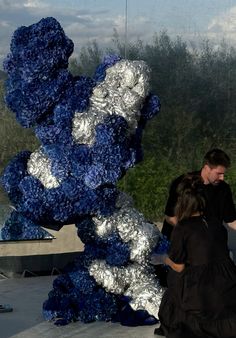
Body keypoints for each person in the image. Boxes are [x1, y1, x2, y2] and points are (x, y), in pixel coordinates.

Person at [151, 174, 236, 338]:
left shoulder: (182, 228)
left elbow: (178, 265)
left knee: (174, 278)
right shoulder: (215, 223)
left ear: (182, 203)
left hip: (201, 292)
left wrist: (162, 258)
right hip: (226, 282)